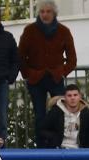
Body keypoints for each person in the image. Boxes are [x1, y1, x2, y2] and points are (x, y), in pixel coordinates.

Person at [18, 0, 76, 143]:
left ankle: (61, 144)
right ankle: (41, 148)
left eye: (48, 12)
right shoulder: (30, 30)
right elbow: (20, 56)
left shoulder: (63, 31)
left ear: (54, 13)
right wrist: (28, 74)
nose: (45, 15)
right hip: (36, 78)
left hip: (55, 78)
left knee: (60, 113)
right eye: (42, 12)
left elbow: (72, 59)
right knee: (39, 115)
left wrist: (62, 72)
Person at [36, 84, 89, 149]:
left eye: (75, 95)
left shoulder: (85, 112)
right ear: (65, 97)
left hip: (80, 151)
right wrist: (54, 137)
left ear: (79, 97)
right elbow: (41, 129)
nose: (72, 98)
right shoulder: (56, 111)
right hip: (59, 150)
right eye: (69, 95)